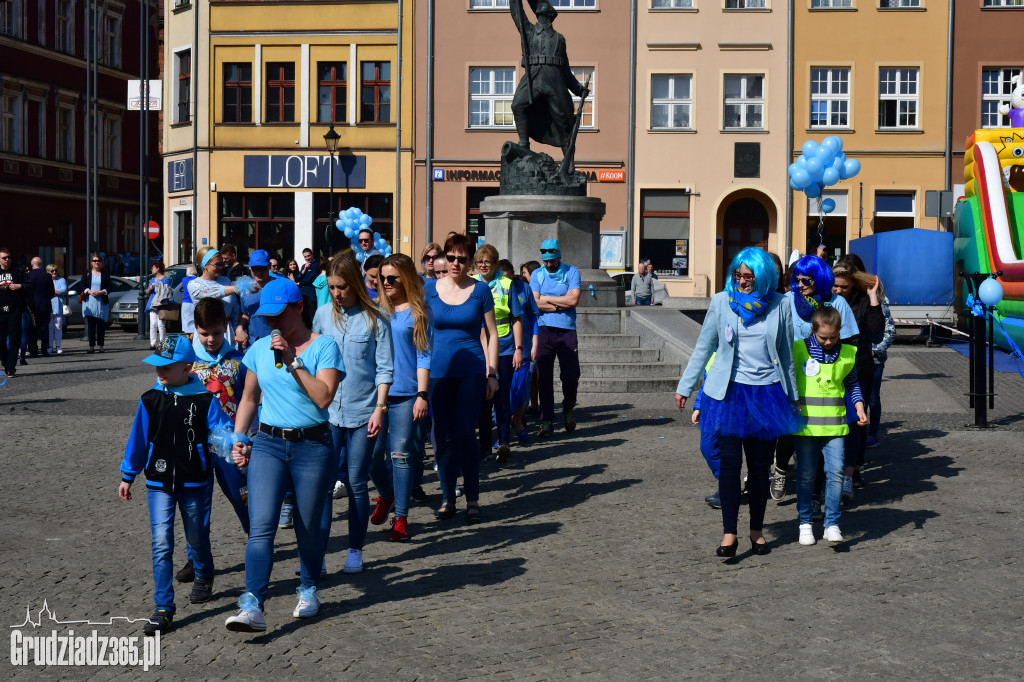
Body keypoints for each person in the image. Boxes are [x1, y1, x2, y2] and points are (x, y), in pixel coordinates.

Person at [226, 278, 343, 632]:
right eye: (267, 315)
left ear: (299, 308)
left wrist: (294, 362)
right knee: (261, 527)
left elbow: (323, 398)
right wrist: (239, 437)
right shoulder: (260, 348)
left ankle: (308, 588)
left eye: (279, 314)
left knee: (308, 527)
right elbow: (248, 398)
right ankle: (253, 605)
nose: (272, 322)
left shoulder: (325, 347)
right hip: (269, 443)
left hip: (313, 445)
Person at [675, 247, 801, 557]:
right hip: (728, 395)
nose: (742, 281)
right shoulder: (721, 302)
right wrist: (685, 387)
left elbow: (785, 355)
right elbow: (704, 348)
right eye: (738, 275)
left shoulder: (781, 305)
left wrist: (794, 396)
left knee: (759, 470)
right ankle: (729, 533)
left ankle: (756, 531)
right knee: (730, 468)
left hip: (767, 394)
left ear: (764, 278)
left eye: (749, 276)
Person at [118, 334, 235, 635]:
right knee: (161, 543)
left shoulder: (205, 399)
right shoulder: (150, 399)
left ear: (186, 368)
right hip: (158, 482)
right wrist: (128, 475)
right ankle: (163, 608)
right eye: (157, 365)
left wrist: (234, 444)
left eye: (166, 366)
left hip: (195, 480)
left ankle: (204, 572)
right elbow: (138, 439)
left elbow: (223, 430)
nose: (160, 371)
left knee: (196, 537)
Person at [312, 254, 393, 574]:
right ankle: (316, 555)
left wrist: (380, 409)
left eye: (342, 286)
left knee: (357, 481)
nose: (336, 293)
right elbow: (313, 362)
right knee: (322, 484)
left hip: (364, 411)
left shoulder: (376, 318)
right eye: (331, 287)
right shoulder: (321, 316)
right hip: (328, 412)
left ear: (355, 283)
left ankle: (355, 550)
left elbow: (385, 369)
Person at [771, 255, 860, 505]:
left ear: (819, 279)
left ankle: (816, 496)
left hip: (826, 385)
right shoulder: (788, 301)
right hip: (792, 377)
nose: (799, 285)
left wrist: (849, 385)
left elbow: (851, 344)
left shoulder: (838, 303)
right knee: (790, 431)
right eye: (797, 280)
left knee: (822, 439)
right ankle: (779, 469)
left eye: (805, 280)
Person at [424, 233, 499, 524]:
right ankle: (447, 496)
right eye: (450, 257)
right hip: (438, 372)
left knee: (466, 432)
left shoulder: (481, 291)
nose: (455, 263)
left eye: (461, 259)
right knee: (441, 437)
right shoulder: (429, 288)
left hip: (472, 371)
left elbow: (492, 334)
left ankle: (472, 498)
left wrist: (492, 373)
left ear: (470, 261)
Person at [793, 307, 867, 546]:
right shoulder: (799, 349)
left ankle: (832, 523)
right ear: (813, 330)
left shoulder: (847, 353)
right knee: (805, 475)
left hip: (835, 423)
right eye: (823, 337)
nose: (828, 342)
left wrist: (859, 406)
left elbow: (853, 382)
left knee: (835, 473)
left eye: (833, 337)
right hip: (806, 426)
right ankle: (805, 523)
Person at [379, 253, 432, 541]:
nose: (385, 283)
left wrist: (422, 395)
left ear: (406, 279)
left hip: (405, 393)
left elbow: (424, 356)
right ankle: (386, 495)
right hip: (375, 394)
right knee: (373, 456)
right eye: (381, 278)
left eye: (391, 278)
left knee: (400, 455)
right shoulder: (375, 309)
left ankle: (400, 517)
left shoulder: (418, 311)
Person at [509, 0, 587, 159]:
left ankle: (569, 164)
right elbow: (517, 14)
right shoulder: (529, 31)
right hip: (534, 77)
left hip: (554, 80)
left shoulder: (559, 39)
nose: (538, 15)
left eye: (541, 13)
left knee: (564, 124)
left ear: (548, 15)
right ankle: (524, 144)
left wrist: (578, 89)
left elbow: (565, 69)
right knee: (517, 105)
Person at [832, 261, 884, 496]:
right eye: (835, 286)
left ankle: (852, 472)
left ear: (853, 283)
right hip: (831, 371)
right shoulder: (829, 299)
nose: (838, 290)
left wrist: (873, 298)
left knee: (856, 424)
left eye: (843, 287)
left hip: (859, 368)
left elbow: (877, 330)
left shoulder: (863, 301)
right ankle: (833, 472)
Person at [474, 245, 523, 462]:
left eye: (488, 261)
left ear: (496, 263)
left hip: (504, 348)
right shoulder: (471, 283)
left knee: (502, 397)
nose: (484, 265)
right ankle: (485, 446)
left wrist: (519, 349)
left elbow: (516, 318)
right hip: (478, 349)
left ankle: (503, 441)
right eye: (480, 262)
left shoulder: (506, 284)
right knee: (483, 400)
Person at [530, 238, 581, 437]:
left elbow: (574, 299)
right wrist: (562, 303)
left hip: (567, 330)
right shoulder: (537, 274)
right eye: (546, 262)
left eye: (552, 261)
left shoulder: (572, 272)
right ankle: (547, 421)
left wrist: (547, 298)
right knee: (544, 377)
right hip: (544, 330)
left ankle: (568, 407)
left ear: (559, 256)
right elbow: (535, 303)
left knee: (571, 375)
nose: (549, 265)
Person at [502, 258, 538, 443]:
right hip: (501, 349)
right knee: (503, 391)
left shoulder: (524, 289)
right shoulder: (492, 288)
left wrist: (535, 342)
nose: (505, 282)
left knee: (519, 389)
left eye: (508, 277)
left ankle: (517, 420)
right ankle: (503, 427)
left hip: (522, 348)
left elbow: (533, 317)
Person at [188, 247, 245, 350]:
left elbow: (235, 310)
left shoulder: (225, 280)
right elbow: (215, 291)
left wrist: (238, 330)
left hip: (227, 332)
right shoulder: (194, 285)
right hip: (206, 334)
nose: (221, 267)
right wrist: (242, 286)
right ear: (205, 265)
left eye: (222, 264)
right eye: (217, 264)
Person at [236, 249, 277, 349]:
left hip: (277, 343)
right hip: (253, 345)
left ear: (269, 266)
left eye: (262, 268)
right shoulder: (245, 288)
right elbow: (246, 315)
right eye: (255, 269)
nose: (258, 272)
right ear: (250, 267)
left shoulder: (280, 286)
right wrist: (240, 328)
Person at [73, 254, 112, 354]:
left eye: (98, 260)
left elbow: (109, 287)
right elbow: (81, 286)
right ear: (91, 262)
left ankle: (101, 346)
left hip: (101, 302)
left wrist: (101, 292)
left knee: (101, 325)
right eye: (94, 261)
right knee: (90, 326)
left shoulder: (105, 273)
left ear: (101, 262)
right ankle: (91, 347)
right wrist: (89, 291)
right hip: (89, 302)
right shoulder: (87, 273)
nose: (96, 262)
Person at [0, 247, 26, 376]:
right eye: (4, 258)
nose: (7, 260)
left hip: (14, 310)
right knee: (1, 340)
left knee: (14, 339)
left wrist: (19, 286)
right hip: (0, 311)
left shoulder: (17, 270)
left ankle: (11, 367)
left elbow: (30, 285)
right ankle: (5, 360)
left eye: (9, 257)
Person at [26, 257, 55, 357]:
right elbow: (52, 292)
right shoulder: (47, 276)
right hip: (45, 305)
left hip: (33, 306)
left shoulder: (28, 275)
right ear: (41, 265)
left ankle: (33, 350)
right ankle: (44, 349)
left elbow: (27, 292)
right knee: (44, 328)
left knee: (32, 329)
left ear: (32, 265)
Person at [145, 261, 171, 349]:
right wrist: (149, 289)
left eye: (153, 268)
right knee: (153, 324)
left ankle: (162, 343)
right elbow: (147, 292)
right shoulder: (152, 280)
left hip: (162, 304)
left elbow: (170, 292)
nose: (152, 270)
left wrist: (162, 289)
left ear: (158, 268)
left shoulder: (165, 279)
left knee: (161, 324)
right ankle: (152, 343)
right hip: (152, 303)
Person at [297, 248, 320, 327]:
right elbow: (297, 277)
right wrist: (304, 270)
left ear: (312, 254)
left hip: (311, 296)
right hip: (302, 296)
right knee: (304, 319)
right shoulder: (304, 266)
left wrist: (300, 283)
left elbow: (311, 278)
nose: (307, 258)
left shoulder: (316, 265)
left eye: (308, 256)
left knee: (312, 319)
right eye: (305, 257)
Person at [47, 265, 67, 354]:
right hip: (48, 306)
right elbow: (44, 291)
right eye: (52, 271)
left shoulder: (61, 280)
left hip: (59, 306)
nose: (54, 272)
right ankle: (50, 346)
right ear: (48, 272)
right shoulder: (46, 280)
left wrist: (53, 292)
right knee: (50, 327)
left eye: (55, 270)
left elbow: (64, 290)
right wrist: (56, 292)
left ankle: (58, 346)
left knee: (58, 326)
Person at [180, 265, 198, 336]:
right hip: (195, 302)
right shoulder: (197, 280)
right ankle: (193, 338)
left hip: (186, 303)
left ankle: (188, 338)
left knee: (186, 324)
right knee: (194, 322)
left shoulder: (184, 279)